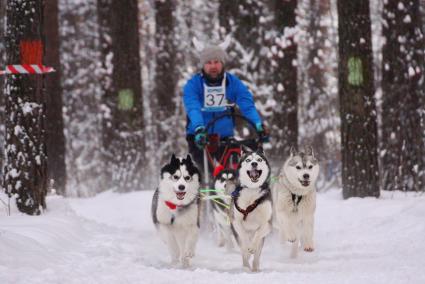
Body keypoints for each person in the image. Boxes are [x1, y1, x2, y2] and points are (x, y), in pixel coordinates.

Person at [182, 42, 269, 170]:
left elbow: (247, 105)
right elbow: (193, 107)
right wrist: (199, 128)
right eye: (208, 63)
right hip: (199, 138)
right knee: (209, 174)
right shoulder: (193, 85)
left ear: (222, 63)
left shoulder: (232, 83)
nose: (213, 66)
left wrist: (258, 124)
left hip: (225, 139)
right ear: (203, 65)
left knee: (235, 172)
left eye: (216, 62)